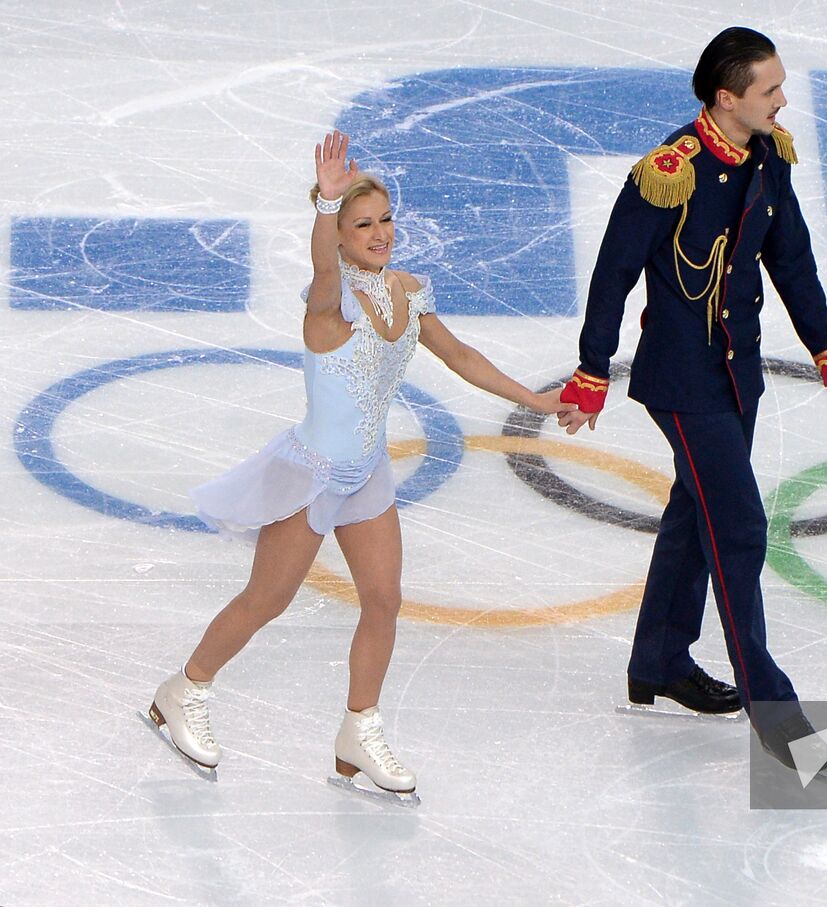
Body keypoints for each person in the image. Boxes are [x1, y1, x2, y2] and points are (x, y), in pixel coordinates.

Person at [148, 130, 574, 795]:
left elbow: (460, 357)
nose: (378, 233)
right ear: (341, 235)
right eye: (361, 224)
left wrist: (533, 400)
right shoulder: (329, 302)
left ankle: (359, 728)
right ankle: (183, 689)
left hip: (367, 472)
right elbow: (322, 267)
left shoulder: (407, 290)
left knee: (383, 600)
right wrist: (324, 201)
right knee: (268, 599)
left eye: (384, 220)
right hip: (314, 473)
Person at [557, 27, 827, 770]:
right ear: (727, 99)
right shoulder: (669, 171)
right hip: (683, 379)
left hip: (738, 371)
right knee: (738, 528)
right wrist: (592, 370)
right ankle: (781, 720)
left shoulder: (766, 156)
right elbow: (612, 274)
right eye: (769, 90)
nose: (783, 100)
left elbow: (792, 263)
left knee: (697, 513)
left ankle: (660, 659)